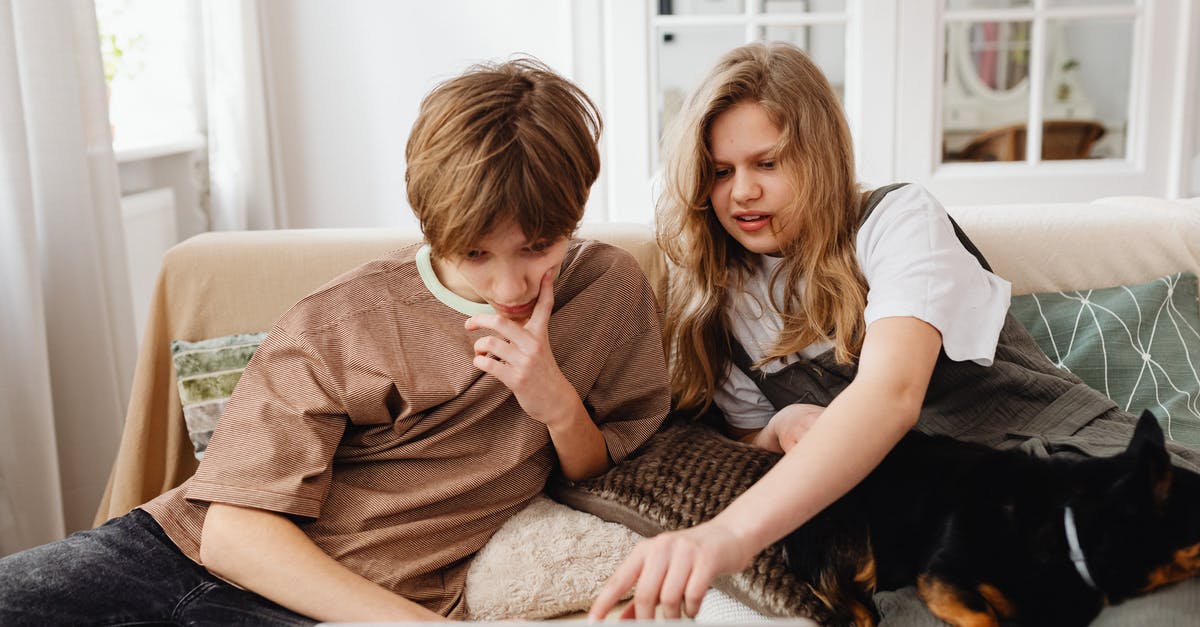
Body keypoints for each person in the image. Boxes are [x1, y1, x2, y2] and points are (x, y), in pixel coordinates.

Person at [0, 57, 671, 625]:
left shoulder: (607, 289)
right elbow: (231, 531)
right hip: (178, 557)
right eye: (474, 253)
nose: (509, 284)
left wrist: (553, 400)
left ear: (575, 211)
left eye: (538, 247)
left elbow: (609, 463)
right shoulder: (344, 320)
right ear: (433, 228)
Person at [588, 41, 1200, 623]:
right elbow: (748, 447)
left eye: (767, 163)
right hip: (933, 537)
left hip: (1065, 473)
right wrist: (773, 430)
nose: (742, 191)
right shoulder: (720, 301)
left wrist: (725, 537)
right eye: (720, 171)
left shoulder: (895, 221)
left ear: (820, 159)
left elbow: (890, 396)